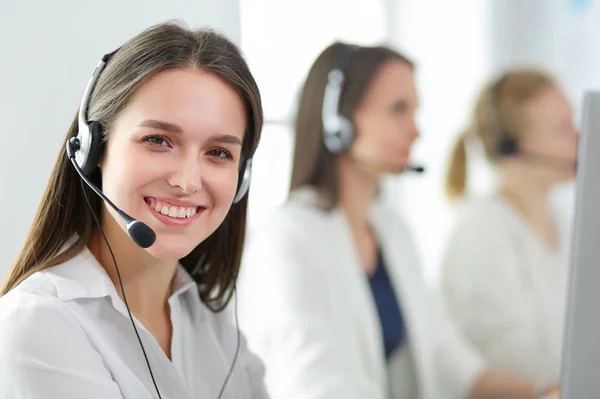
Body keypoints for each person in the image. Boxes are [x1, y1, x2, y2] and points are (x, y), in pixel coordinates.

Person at [235, 42, 560, 399]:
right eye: (398, 110)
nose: (416, 130)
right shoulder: (289, 237)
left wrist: (544, 392)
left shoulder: (391, 229)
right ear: (337, 121)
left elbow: (448, 358)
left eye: (414, 110)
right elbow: (319, 384)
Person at [0, 21, 269, 399]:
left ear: (241, 177)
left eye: (218, 152)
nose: (188, 181)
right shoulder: (39, 326)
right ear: (93, 150)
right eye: (158, 140)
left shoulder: (211, 322)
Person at [440, 68, 578, 392]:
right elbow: (510, 355)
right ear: (511, 149)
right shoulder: (482, 230)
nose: (579, 137)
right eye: (562, 129)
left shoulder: (561, 219)